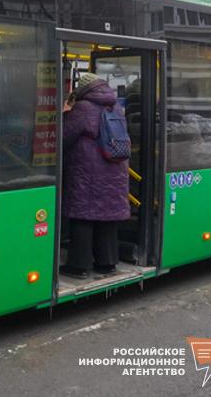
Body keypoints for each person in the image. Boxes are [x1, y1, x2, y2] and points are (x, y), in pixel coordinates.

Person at [61, 72, 130, 279]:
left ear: (84, 89)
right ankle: (107, 263)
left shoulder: (83, 108)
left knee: (83, 215)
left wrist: (65, 114)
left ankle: (78, 265)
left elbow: (64, 136)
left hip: (87, 172)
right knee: (107, 217)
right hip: (115, 171)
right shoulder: (115, 107)